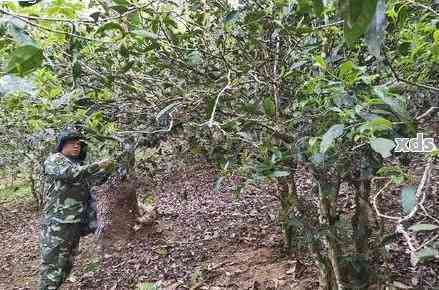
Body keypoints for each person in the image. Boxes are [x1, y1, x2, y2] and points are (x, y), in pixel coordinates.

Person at [39, 129, 114, 290]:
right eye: (72, 142)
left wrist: (109, 169)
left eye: (78, 143)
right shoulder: (54, 160)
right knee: (53, 266)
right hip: (57, 224)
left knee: (66, 264)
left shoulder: (78, 164)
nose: (76, 146)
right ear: (62, 145)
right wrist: (98, 165)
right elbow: (70, 174)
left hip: (74, 223)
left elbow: (93, 180)